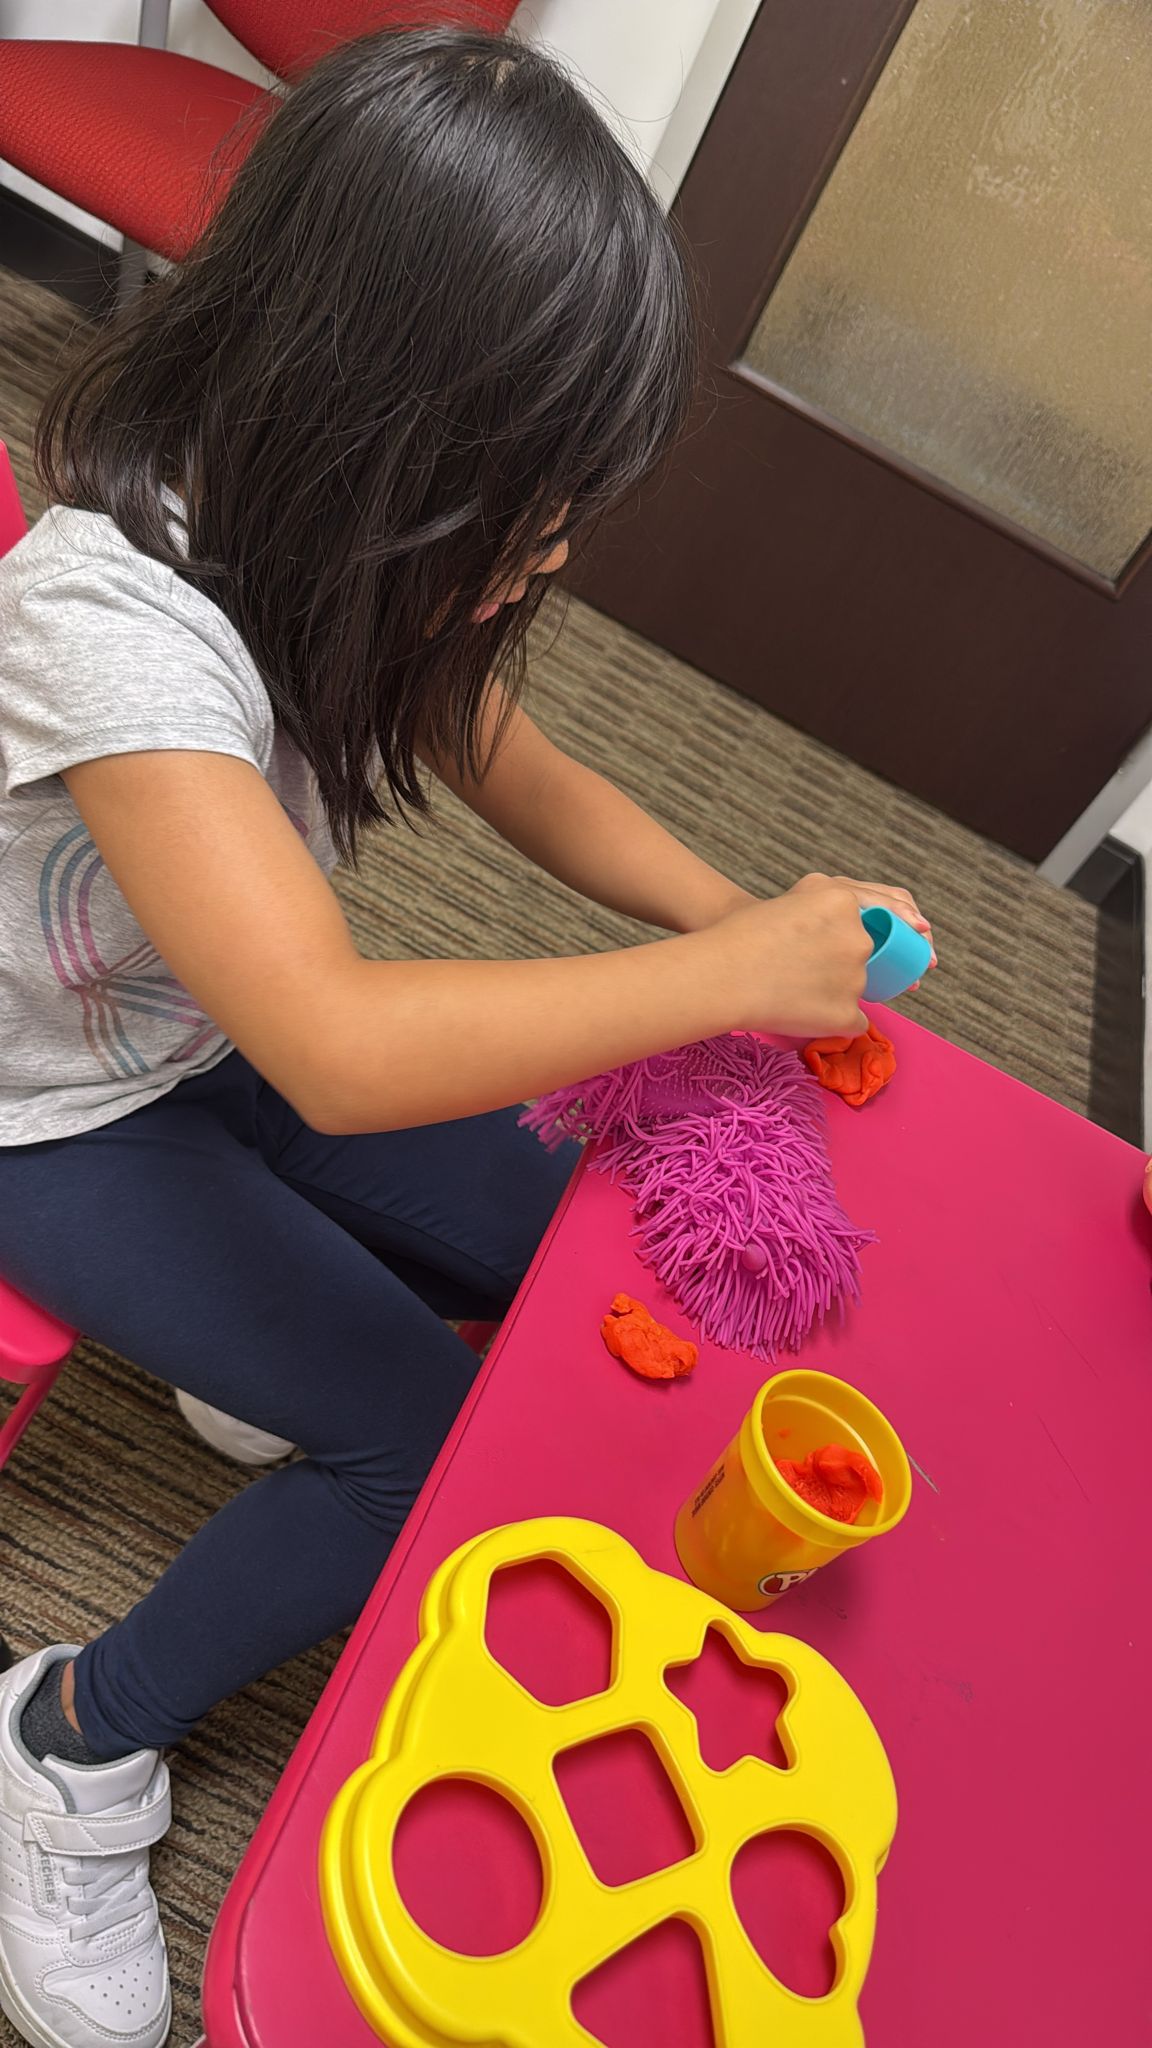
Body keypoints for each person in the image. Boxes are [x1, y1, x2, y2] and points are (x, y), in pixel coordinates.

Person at [0, 27, 931, 2048]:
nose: (561, 544)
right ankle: (69, 1737)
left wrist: (749, 918)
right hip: (48, 1116)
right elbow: (340, 1045)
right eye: (534, 497)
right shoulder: (103, 621)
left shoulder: (329, 542)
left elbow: (516, 766)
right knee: (411, 1437)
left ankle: (254, 1352)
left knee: (563, 1249)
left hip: (207, 1041)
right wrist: (732, 982)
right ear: (370, 424)